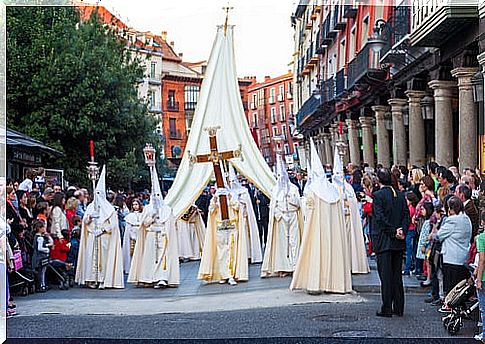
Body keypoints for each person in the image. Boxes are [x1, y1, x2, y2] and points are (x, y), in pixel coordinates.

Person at [290, 139, 352, 294]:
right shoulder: (332, 189)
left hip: (318, 230)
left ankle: (318, 283)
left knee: (318, 255)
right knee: (334, 253)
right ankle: (336, 284)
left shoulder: (311, 190)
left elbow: (307, 210)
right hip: (333, 231)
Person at [128, 164, 179, 288]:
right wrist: (152, 216)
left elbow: (170, 224)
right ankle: (150, 277)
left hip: (162, 235)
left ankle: (162, 277)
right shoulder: (147, 208)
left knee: (163, 258)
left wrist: (163, 225)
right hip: (151, 235)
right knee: (151, 257)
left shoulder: (167, 209)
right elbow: (143, 224)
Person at [75, 166, 124, 289]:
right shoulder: (91, 207)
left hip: (104, 237)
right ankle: (92, 279)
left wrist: (102, 230)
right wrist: (91, 217)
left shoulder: (110, 209)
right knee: (91, 258)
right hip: (92, 235)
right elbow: (85, 221)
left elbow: (113, 225)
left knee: (104, 259)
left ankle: (103, 279)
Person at [372, 168, 410, 317]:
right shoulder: (400, 195)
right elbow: (406, 216)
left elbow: (380, 218)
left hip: (384, 240)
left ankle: (387, 307)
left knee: (386, 276)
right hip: (398, 241)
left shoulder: (378, 196)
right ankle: (399, 307)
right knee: (396, 276)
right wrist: (402, 230)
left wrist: (393, 232)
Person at [261, 154, 303, 278]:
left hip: (293, 215)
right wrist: (280, 215)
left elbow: (299, 204)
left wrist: (290, 198)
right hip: (281, 219)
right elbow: (273, 207)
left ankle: (295, 265)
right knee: (283, 243)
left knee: (294, 241)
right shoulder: (275, 191)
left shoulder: (293, 188)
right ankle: (284, 267)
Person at [198, 184, 249, 285]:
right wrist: (216, 200)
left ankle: (231, 275)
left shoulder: (232, 197)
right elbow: (211, 210)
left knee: (231, 251)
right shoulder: (214, 199)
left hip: (231, 226)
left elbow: (238, 207)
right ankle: (223, 275)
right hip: (220, 227)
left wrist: (230, 198)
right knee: (221, 252)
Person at [332, 150, 369, 274]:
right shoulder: (331, 188)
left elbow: (352, 201)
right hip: (337, 220)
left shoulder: (347, 188)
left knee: (350, 241)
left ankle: (353, 263)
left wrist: (347, 204)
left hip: (347, 217)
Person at [433, 196, 472, 302]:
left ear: (451, 208)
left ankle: (452, 310)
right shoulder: (466, 218)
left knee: (452, 289)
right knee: (460, 288)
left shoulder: (452, 220)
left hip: (451, 257)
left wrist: (434, 230)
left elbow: (439, 235)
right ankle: (459, 309)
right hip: (463, 256)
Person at [227, 164, 262, 264]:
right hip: (235, 221)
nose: (232, 183)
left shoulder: (244, 192)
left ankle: (249, 255)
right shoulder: (229, 194)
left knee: (246, 238)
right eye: (230, 182)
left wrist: (238, 200)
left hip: (244, 218)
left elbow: (246, 204)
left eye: (233, 181)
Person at [122, 198, 143, 274]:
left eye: (136, 204)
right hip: (132, 235)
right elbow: (128, 228)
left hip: (140, 234)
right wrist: (131, 235)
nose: (135, 206)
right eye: (133, 204)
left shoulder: (143, 215)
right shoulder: (130, 216)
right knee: (132, 252)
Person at [31, 220, 53, 292]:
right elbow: (39, 248)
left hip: (38, 257)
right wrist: (46, 249)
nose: (44, 229)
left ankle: (42, 285)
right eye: (43, 227)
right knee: (42, 272)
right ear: (39, 228)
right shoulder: (40, 238)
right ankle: (41, 285)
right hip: (40, 257)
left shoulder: (37, 237)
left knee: (42, 272)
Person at [403, 192, 419, 276]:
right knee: (411, 250)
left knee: (409, 250)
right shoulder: (412, 208)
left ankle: (407, 269)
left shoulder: (410, 209)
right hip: (411, 230)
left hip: (409, 230)